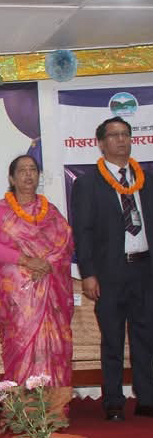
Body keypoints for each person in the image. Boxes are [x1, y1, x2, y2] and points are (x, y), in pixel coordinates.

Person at [0, 155, 74, 419]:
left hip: (50, 289)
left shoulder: (51, 211)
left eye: (33, 170)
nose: (28, 175)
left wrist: (46, 264)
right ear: (12, 178)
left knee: (53, 347)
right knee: (21, 345)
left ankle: (54, 410)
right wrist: (27, 261)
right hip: (16, 295)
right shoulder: (0, 209)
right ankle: (23, 412)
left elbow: (65, 242)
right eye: (22, 170)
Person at [71, 116, 153, 421]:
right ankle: (114, 401)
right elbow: (83, 231)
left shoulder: (145, 178)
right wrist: (88, 273)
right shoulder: (88, 183)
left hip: (144, 269)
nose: (121, 140)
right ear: (101, 143)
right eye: (114, 135)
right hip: (109, 272)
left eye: (125, 135)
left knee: (146, 336)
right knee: (113, 339)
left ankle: (147, 398)